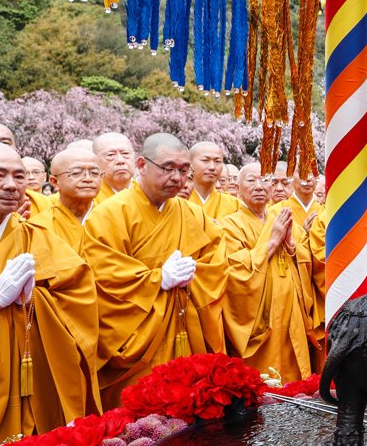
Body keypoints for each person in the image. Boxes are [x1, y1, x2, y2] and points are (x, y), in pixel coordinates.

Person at [0, 141, 100, 446]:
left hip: (37, 374)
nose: (11, 186)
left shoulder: (37, 235)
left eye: (19, 177)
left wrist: (39, 299)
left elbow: (80, 297)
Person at [82, 133, 228, 408]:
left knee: (191, 411)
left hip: (186, 324)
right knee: (139, 423)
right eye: (168, 168)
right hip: (137, 336)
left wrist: (194, 272)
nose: (177, 177)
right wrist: (158, 279)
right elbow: (102, 272)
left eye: (184, 171)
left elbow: (216, 260)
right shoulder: (109, 214)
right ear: (142, 165)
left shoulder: (192, 213)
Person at [221, 163, 316, 383]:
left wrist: (290, 244)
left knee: (294, 382)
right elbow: (234, 272)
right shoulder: (230, 225)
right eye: (251, 181)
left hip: (292, 313)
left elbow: (305, 259)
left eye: (265, 181)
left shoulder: (282, 218)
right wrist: (272, 243)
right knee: (265, 383)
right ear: (237, 187)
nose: (259, 186)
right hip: (260, 319)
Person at [32, 148, 102, 251]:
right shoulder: (40, 225)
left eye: (95, 173)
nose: (88, 179)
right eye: (77, 173)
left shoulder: (112, 218)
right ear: (55, 182)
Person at [187, 141, 238, 219]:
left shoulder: (235, 204)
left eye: (217, 161)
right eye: (205, 160)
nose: (212, 167)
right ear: (190, 164)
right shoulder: (178, 200)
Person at [92, 132, 137, 205]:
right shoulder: (90, 197)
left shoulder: (148, 193)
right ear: (95, 161)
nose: (120, 160)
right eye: (110, 155)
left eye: (125, 153)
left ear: (134, 156)